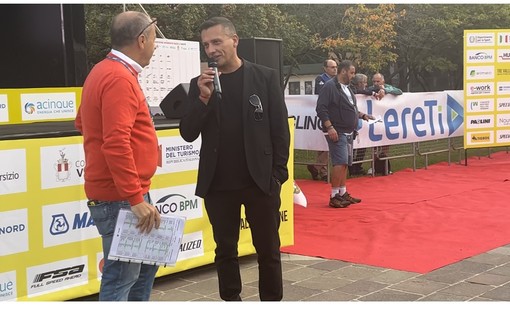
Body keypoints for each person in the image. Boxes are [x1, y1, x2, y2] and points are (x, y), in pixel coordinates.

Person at [179, 17, 290, 301]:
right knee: (225, 251)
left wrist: (277, 175)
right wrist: (203, 99)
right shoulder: (199, 85)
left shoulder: (264, 77)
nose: (211, 49)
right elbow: (188, 133)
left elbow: (279, 130)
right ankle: (231, 301)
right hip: (218, 184)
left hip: (260, 182)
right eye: (206, 45)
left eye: (217, 42)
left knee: (268, 250)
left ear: (234, 40)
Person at [74, 11, 161, 301]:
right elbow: (115, 143)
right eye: (154, 38)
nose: (156, 45)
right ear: (141, 39)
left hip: (126, 194)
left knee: (143, 269)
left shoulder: (105, 71)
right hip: (121, 197)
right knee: (122, 276)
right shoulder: (118, 77)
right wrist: (135, 199)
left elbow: (83, 123)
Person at [316, 60, 375, 208]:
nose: (353, 75)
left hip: (348, 131)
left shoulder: (348, 88)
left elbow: (351, 108)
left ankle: (342, 193)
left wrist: (362, 116)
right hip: (338, 130)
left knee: (345, 163)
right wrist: (330, 127)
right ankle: (334, 195)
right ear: (343, 71)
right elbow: (321, 108)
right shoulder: (330, 87)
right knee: (339, 161)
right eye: (351, 72)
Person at [307, 59, 338, 181]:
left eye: (336, 66)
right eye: (332, 67)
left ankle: (319, 169)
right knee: (324, 143)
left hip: (333, 114)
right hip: (324, 115)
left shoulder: (338, 80)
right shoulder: (320, 79)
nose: (335, 69)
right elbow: (321, 92)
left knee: (325, 144)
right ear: (325, 68)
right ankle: (319, 168)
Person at [366, 73, 403, 175]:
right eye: (374, 81)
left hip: (387, 121)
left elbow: (399, 91)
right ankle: (372, 167)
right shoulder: (370, 88)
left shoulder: (388, 87)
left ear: (383, 81)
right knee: (373, 146)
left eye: (378, 81)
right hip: (374, 120)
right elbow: (365, 92)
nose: (376, 83)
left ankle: (385, 167)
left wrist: (385, 90)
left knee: (386, 145)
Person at [348, 73, 381, 176]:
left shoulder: (366, 89)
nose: (366, 85)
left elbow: (368, 90)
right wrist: (372, 93)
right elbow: (358, 91)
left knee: (362, 146)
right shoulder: (351, 89)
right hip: (352, 121)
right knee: (351, 147)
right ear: (360, 83)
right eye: (365, 82)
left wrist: (381, 90)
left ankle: (358, 166)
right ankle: (351, 168)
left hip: (362, 123)